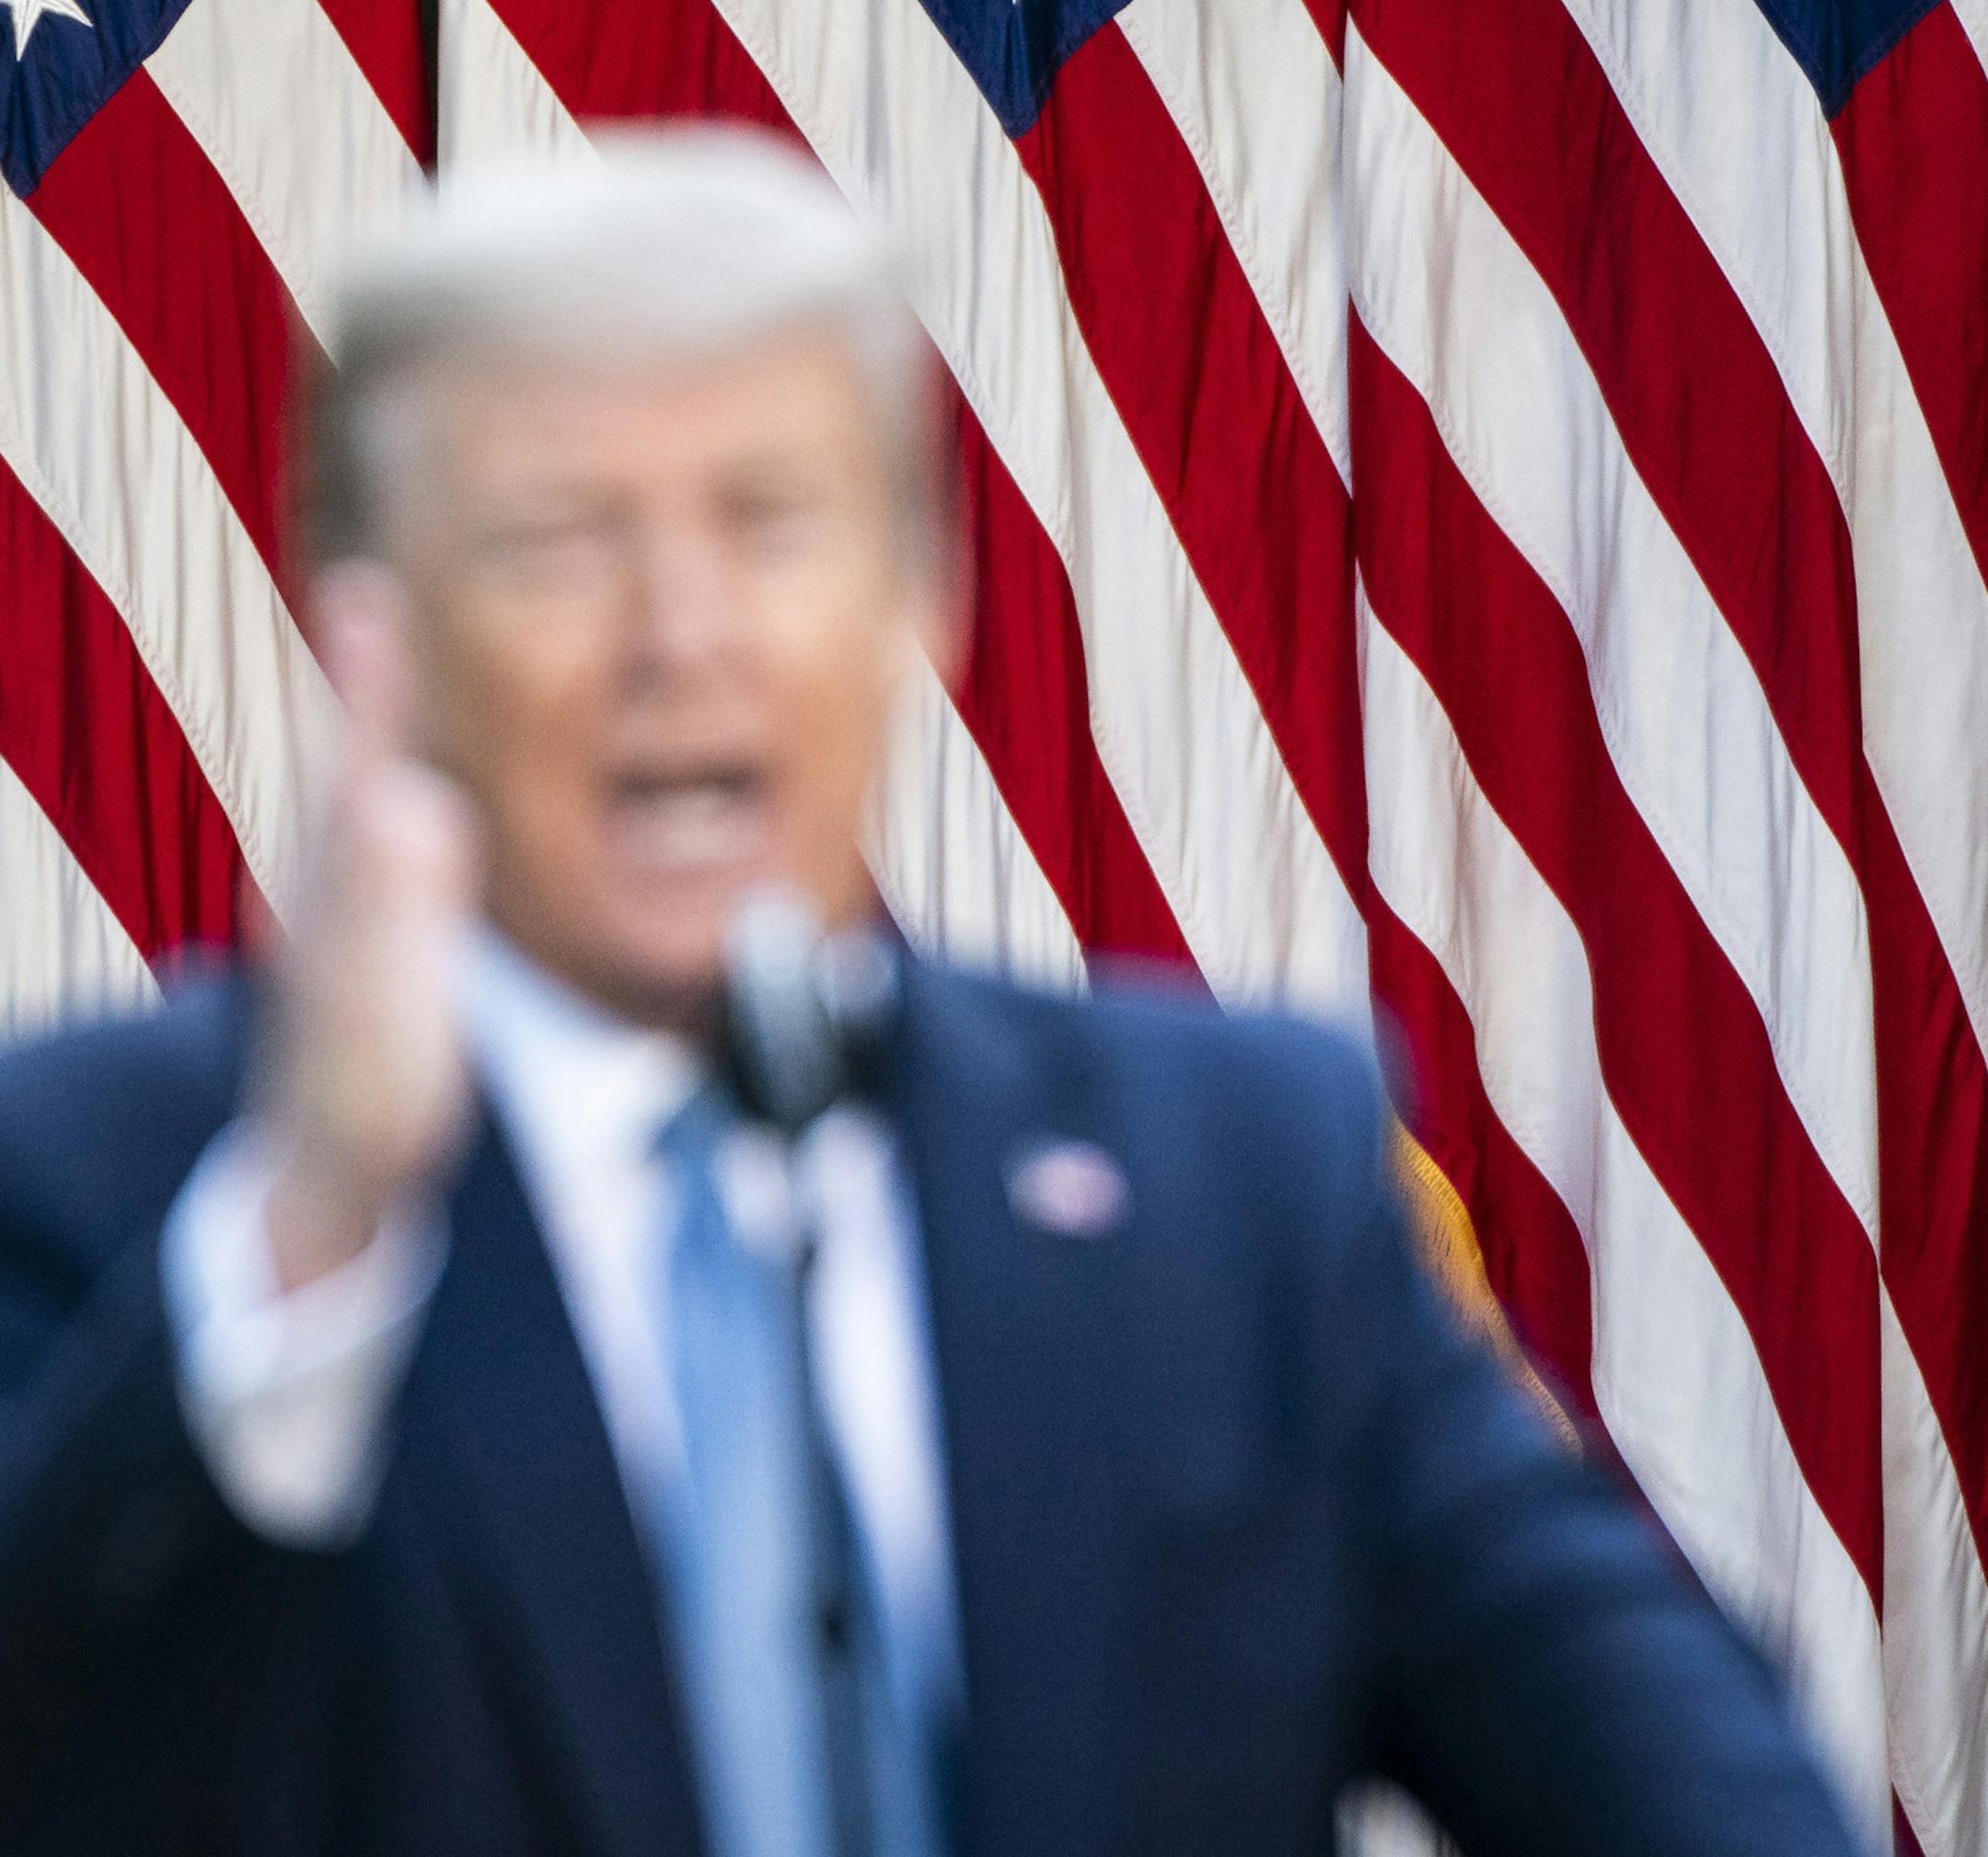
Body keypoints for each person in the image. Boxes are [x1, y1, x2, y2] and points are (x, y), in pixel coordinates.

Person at [0, 131, 1864, 1857]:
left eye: (773, 524)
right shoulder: (114, 1175)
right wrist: (314, 1241)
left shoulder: (1248, 1192)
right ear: (375, 637)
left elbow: (1699, 1799)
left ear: (927, 593)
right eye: (557, 540)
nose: (682, 632)